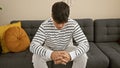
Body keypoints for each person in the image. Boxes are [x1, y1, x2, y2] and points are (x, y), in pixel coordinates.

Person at [30, 1, 89, 68]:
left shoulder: (73, 24)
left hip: (67, 49)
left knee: (83, 56)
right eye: (57, 22)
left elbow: (85, 44)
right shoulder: (44, 25)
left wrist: (70, 55)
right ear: (52, 16)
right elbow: (33, 46)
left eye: (63, 22)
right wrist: (51, 54)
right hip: (49, 49)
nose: (60, 26)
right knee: (36, 57)